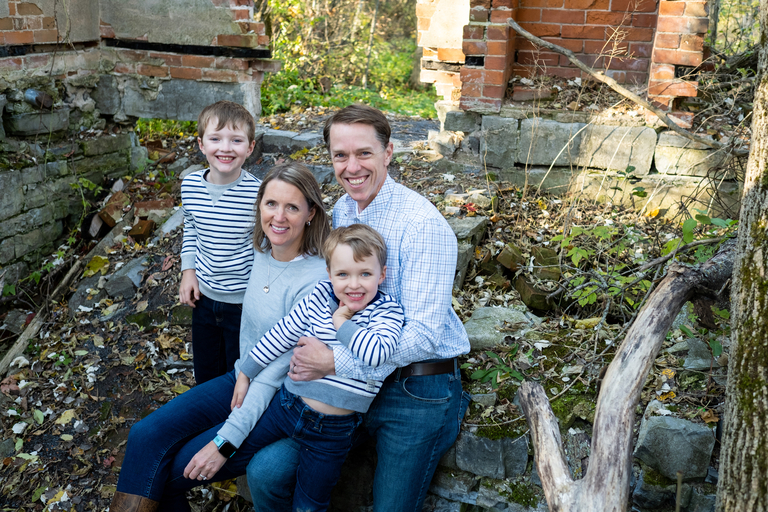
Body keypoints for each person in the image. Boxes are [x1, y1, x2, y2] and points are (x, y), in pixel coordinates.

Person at [246, 104, 472, 512]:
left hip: (415, 386)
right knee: (266, 473)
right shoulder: (344, 210)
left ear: (388, 152)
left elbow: (424, 338)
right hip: (349, 385)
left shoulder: (423, 225)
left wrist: (334, 361)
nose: (352, 167)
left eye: (364, 153)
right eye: (340, 155)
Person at [110, 162, 330, 512]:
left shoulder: (316, 280)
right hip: (242, 378)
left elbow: (278, 374)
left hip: (278, 400)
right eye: (271, 203)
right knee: (144, 436)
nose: (279, 216)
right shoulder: (260, 250)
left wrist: (225, 443)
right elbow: (204, 220)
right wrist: (189, 269)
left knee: (168, 471)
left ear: (311, 213)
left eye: (292, 207)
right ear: (259, 206)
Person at [231, 224, 404, 511]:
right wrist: (246, 371)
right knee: (235, 450)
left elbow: (375, 354)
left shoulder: (387, 311)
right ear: (329, 274)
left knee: (309, 505)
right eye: (343, 274)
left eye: (365, 274)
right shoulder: (320, 297)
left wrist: (341, 322)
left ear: (382, 275)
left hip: (333, 431)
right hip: (288, 405)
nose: (354, 285)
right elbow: (282, 333)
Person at [179, 100, 260, 384]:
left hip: (243, 303)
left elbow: (265, 246)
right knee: (205, 373)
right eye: (215, 139)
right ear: (201, 144)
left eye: (236, 140)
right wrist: (188, 271)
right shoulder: (190, 186)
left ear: (250, 147)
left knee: (237, 376)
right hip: (203, 298)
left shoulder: (259, 194)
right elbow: (191, 228)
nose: (225, 148)